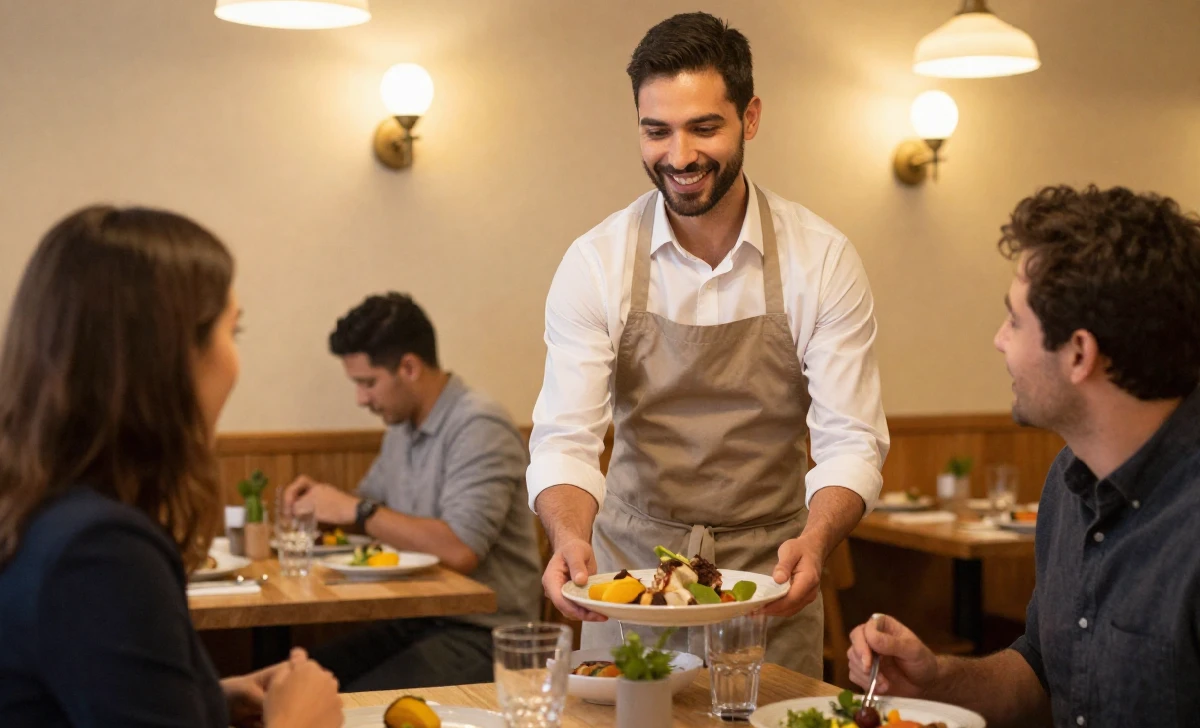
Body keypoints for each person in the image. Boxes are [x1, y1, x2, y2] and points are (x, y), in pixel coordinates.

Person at [529, 11, 889, 675]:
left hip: (768, 577)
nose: (679, 155)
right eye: (656, 130)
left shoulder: (822, 260)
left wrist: (815, 542)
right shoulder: (596, 261)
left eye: (704, 127)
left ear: (750, 119)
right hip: (629, 577)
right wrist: (570, 537)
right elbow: (565, 439)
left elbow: (851, 441)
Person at [848, 185, 1200, 727]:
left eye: (1014, 320)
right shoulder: (1068, 480)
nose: (999, 340)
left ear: (1079, 353)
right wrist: (936, 678)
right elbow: (1043, 677)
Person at [0, 206, 343, 728]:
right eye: (235, 331)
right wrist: (298, 720)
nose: (235, 361)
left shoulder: (39, 510)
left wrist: (208, 696)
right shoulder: (99, 549)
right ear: (172, 354)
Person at [282, 292, 542, 690]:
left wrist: (356, 510)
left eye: (368, 383)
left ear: (409, 367)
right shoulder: (401, 428)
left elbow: (459, 550)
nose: (361, 399)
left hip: (488, 637)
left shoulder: (478, 426)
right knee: (285, 683)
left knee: (335, 707)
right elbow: (370, 515)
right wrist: (319, 508)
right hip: (416, 621)